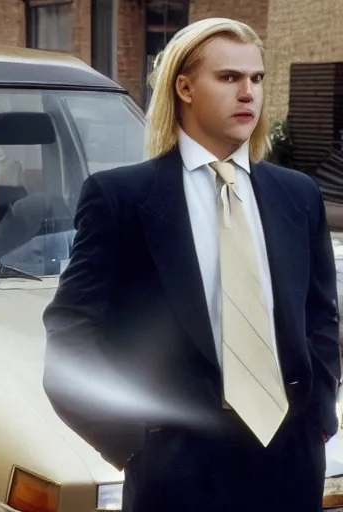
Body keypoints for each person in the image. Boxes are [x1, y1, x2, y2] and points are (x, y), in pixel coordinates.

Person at [41, 17, 341, 512]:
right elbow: (71, 334)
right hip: (176, 474)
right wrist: (131, 443)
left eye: (257, 79)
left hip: (291, 466)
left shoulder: (298, 195)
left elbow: (320, 317)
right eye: (229, 78)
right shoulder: (123, 198)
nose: (248, 93)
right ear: (184, 86)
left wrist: (318, 420)